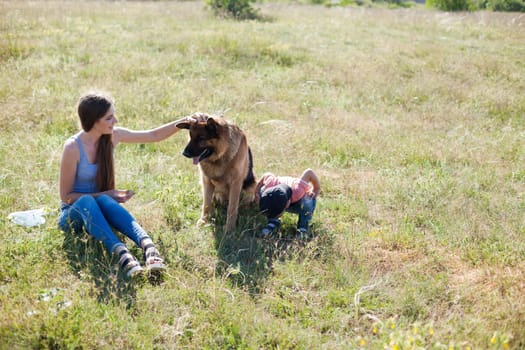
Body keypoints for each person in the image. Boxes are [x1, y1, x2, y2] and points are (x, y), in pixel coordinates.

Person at [58, 91, 199, 278]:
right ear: (94, 121)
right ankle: (121, 253)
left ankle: (149, 247)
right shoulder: (73, 147)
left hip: (100, 208)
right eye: (109, 117)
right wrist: (106, 194)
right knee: (88, 201)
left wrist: (187, 121)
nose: (115, 121)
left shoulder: (112, 136)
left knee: (106, 202)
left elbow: (153, 135)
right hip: (72, 214)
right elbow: (66, 196)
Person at [256, 168, 321, 239]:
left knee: (308, 199)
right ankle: (273, 222)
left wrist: (316, 189)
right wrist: (256, 192)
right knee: (262, 190)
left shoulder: (298, 190)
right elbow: (267, 175)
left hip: (297, 202)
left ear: (287, 205)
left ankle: (302, 228)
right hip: (280, 193)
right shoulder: (269, 183)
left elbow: (309, 172)